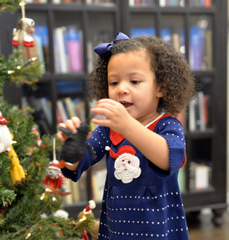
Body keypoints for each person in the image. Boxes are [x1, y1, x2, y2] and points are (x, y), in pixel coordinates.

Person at [57, 32, 196, 240]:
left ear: (160, 88)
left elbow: (170, 159)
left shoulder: (167, 125)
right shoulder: (108, 129)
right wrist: (72, 150)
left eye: (134, 81)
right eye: (114, 83)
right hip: (117, 231)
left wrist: (127, 126)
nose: (121, 89)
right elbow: (81, 161)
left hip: (158, 231)